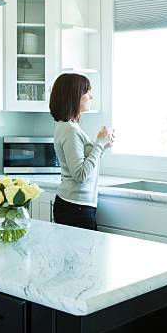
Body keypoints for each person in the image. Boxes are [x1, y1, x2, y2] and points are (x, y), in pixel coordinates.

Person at [49, 73, 114, 230]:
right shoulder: (70, 130)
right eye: (86, 92)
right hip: (75, 208)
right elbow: (80, 175)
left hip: (75, 206)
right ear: (74, 96)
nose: (90, 97)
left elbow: (85, 165)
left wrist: (103, 146)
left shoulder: (67, 126)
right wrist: (99, 144)